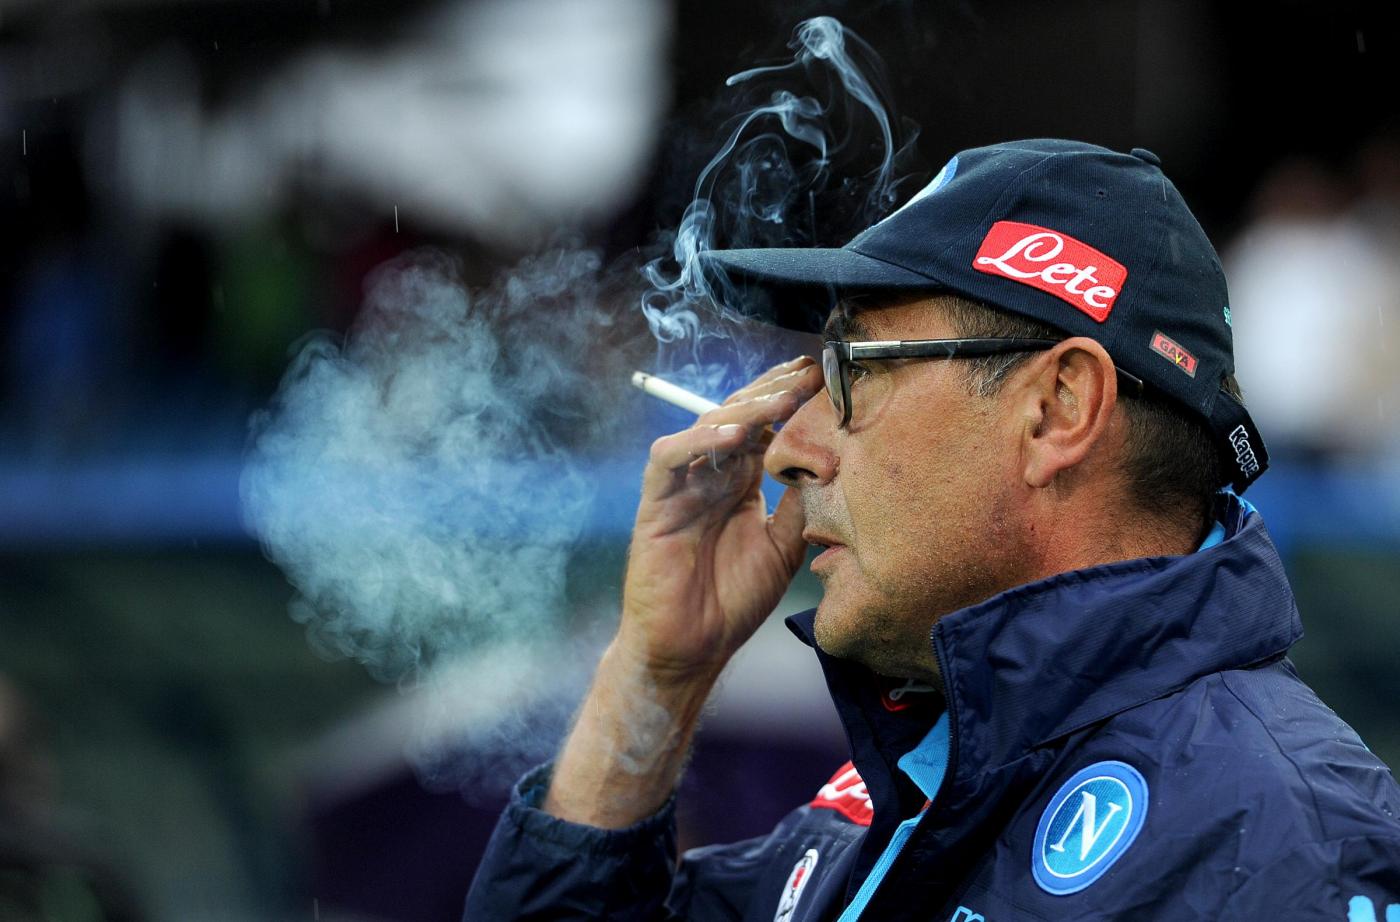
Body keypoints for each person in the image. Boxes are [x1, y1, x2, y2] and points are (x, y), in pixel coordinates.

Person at [464, 140, 1400, 920]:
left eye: (854, 371)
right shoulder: (886, 809)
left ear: (1057, 409)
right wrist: (653, 675)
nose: (787, 448)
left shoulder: (1283, 850)